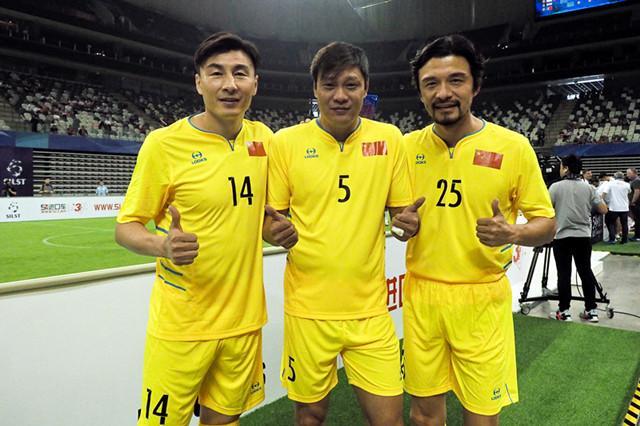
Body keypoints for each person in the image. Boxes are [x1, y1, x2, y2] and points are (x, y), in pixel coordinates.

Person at [115, 32, 275, 426]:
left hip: (244, 321)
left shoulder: (264, 140)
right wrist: (162, 246)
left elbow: (262, 218)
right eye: (216, 73)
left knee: (225, 421)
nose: (229, 84)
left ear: (255, 84)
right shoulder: (164, 144)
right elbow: (126, 227)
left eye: (240, 73)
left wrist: (277, 230)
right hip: (182, 325)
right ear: (199, 82)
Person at [264, 41, 420, 426]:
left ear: (366, 87)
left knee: (389, 421)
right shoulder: (285, 143)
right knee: (310, 417)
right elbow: (270, 221)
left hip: (370, 312)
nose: (340, 95)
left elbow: (402, 217)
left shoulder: (389, 139)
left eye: (350, 85)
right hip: (308, 312)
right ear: (315, 89)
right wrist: (274, 232)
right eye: (329, 84)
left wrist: (407, 226)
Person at [403, 34, 556, 425]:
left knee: (482, 416)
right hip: (422, 296)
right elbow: (399, 217)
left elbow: (547, 225)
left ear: (476, 85)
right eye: (431, 83)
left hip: (482, 298)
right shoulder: (405, 148)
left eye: (456, 80)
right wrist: (403, 226)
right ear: (420, 93)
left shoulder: (513, 146)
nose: (443, 93)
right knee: (423, 415)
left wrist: (514, 233)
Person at [548, 155, 608, 322]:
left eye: (561, 166)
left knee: (564, 274)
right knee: (585, 272)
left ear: (566, 168)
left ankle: (564, 311)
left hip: (562, 237)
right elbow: (603, 209)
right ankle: (591, 310)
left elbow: (546, 209)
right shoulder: (589, 188)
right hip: (583, 236)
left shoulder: (555, 187)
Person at [602, 171, 631, 244]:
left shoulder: (610, 184)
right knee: (624, 224)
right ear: (623, 177)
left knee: (610, 223)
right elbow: (629, 193)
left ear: (615, 177)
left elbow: (604, 194)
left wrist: (603, 202)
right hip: (624, 207)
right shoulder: (627, 184)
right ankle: (624, 240)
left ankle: (612, 239)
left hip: (613, 207)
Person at [626, 167, 640, 241]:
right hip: (636, 204)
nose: (627, 175)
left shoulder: (636, 181)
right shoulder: (634, 181)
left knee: (638, 220)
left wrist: (633, 202)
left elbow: (637, 192)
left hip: (636, 204)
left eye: (629, 173)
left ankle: (637, 236)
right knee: (637, 220)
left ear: (634, 173)